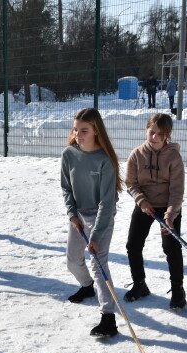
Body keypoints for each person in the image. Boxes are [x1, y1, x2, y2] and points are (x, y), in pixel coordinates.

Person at [61, 108, 121, 337]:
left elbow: (107, 203)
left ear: (96, 131)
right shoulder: (69, 154)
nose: (78, 134)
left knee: (98, 264)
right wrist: (72, 214)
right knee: (72, 261)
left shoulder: (105, 161)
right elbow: (66, 188)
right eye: (75, 129)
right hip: (79, 215)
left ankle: (108, 317)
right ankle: (87, 287)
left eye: (84, 130)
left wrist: (95, 236)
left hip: (101, 216)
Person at [124, 113, 186, 309]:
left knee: (171, 248)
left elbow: (177, 190)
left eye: (160, 134)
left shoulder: (174, 157)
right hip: (145, 205)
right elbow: (131, 183)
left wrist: (170, 215)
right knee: (133, 245)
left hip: (169, 206)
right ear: (146, 130)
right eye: (151, 132)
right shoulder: (136, 154)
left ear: (167, 135)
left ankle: (178, 289)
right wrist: (141, 201)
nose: (154, 137)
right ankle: (139, 284)